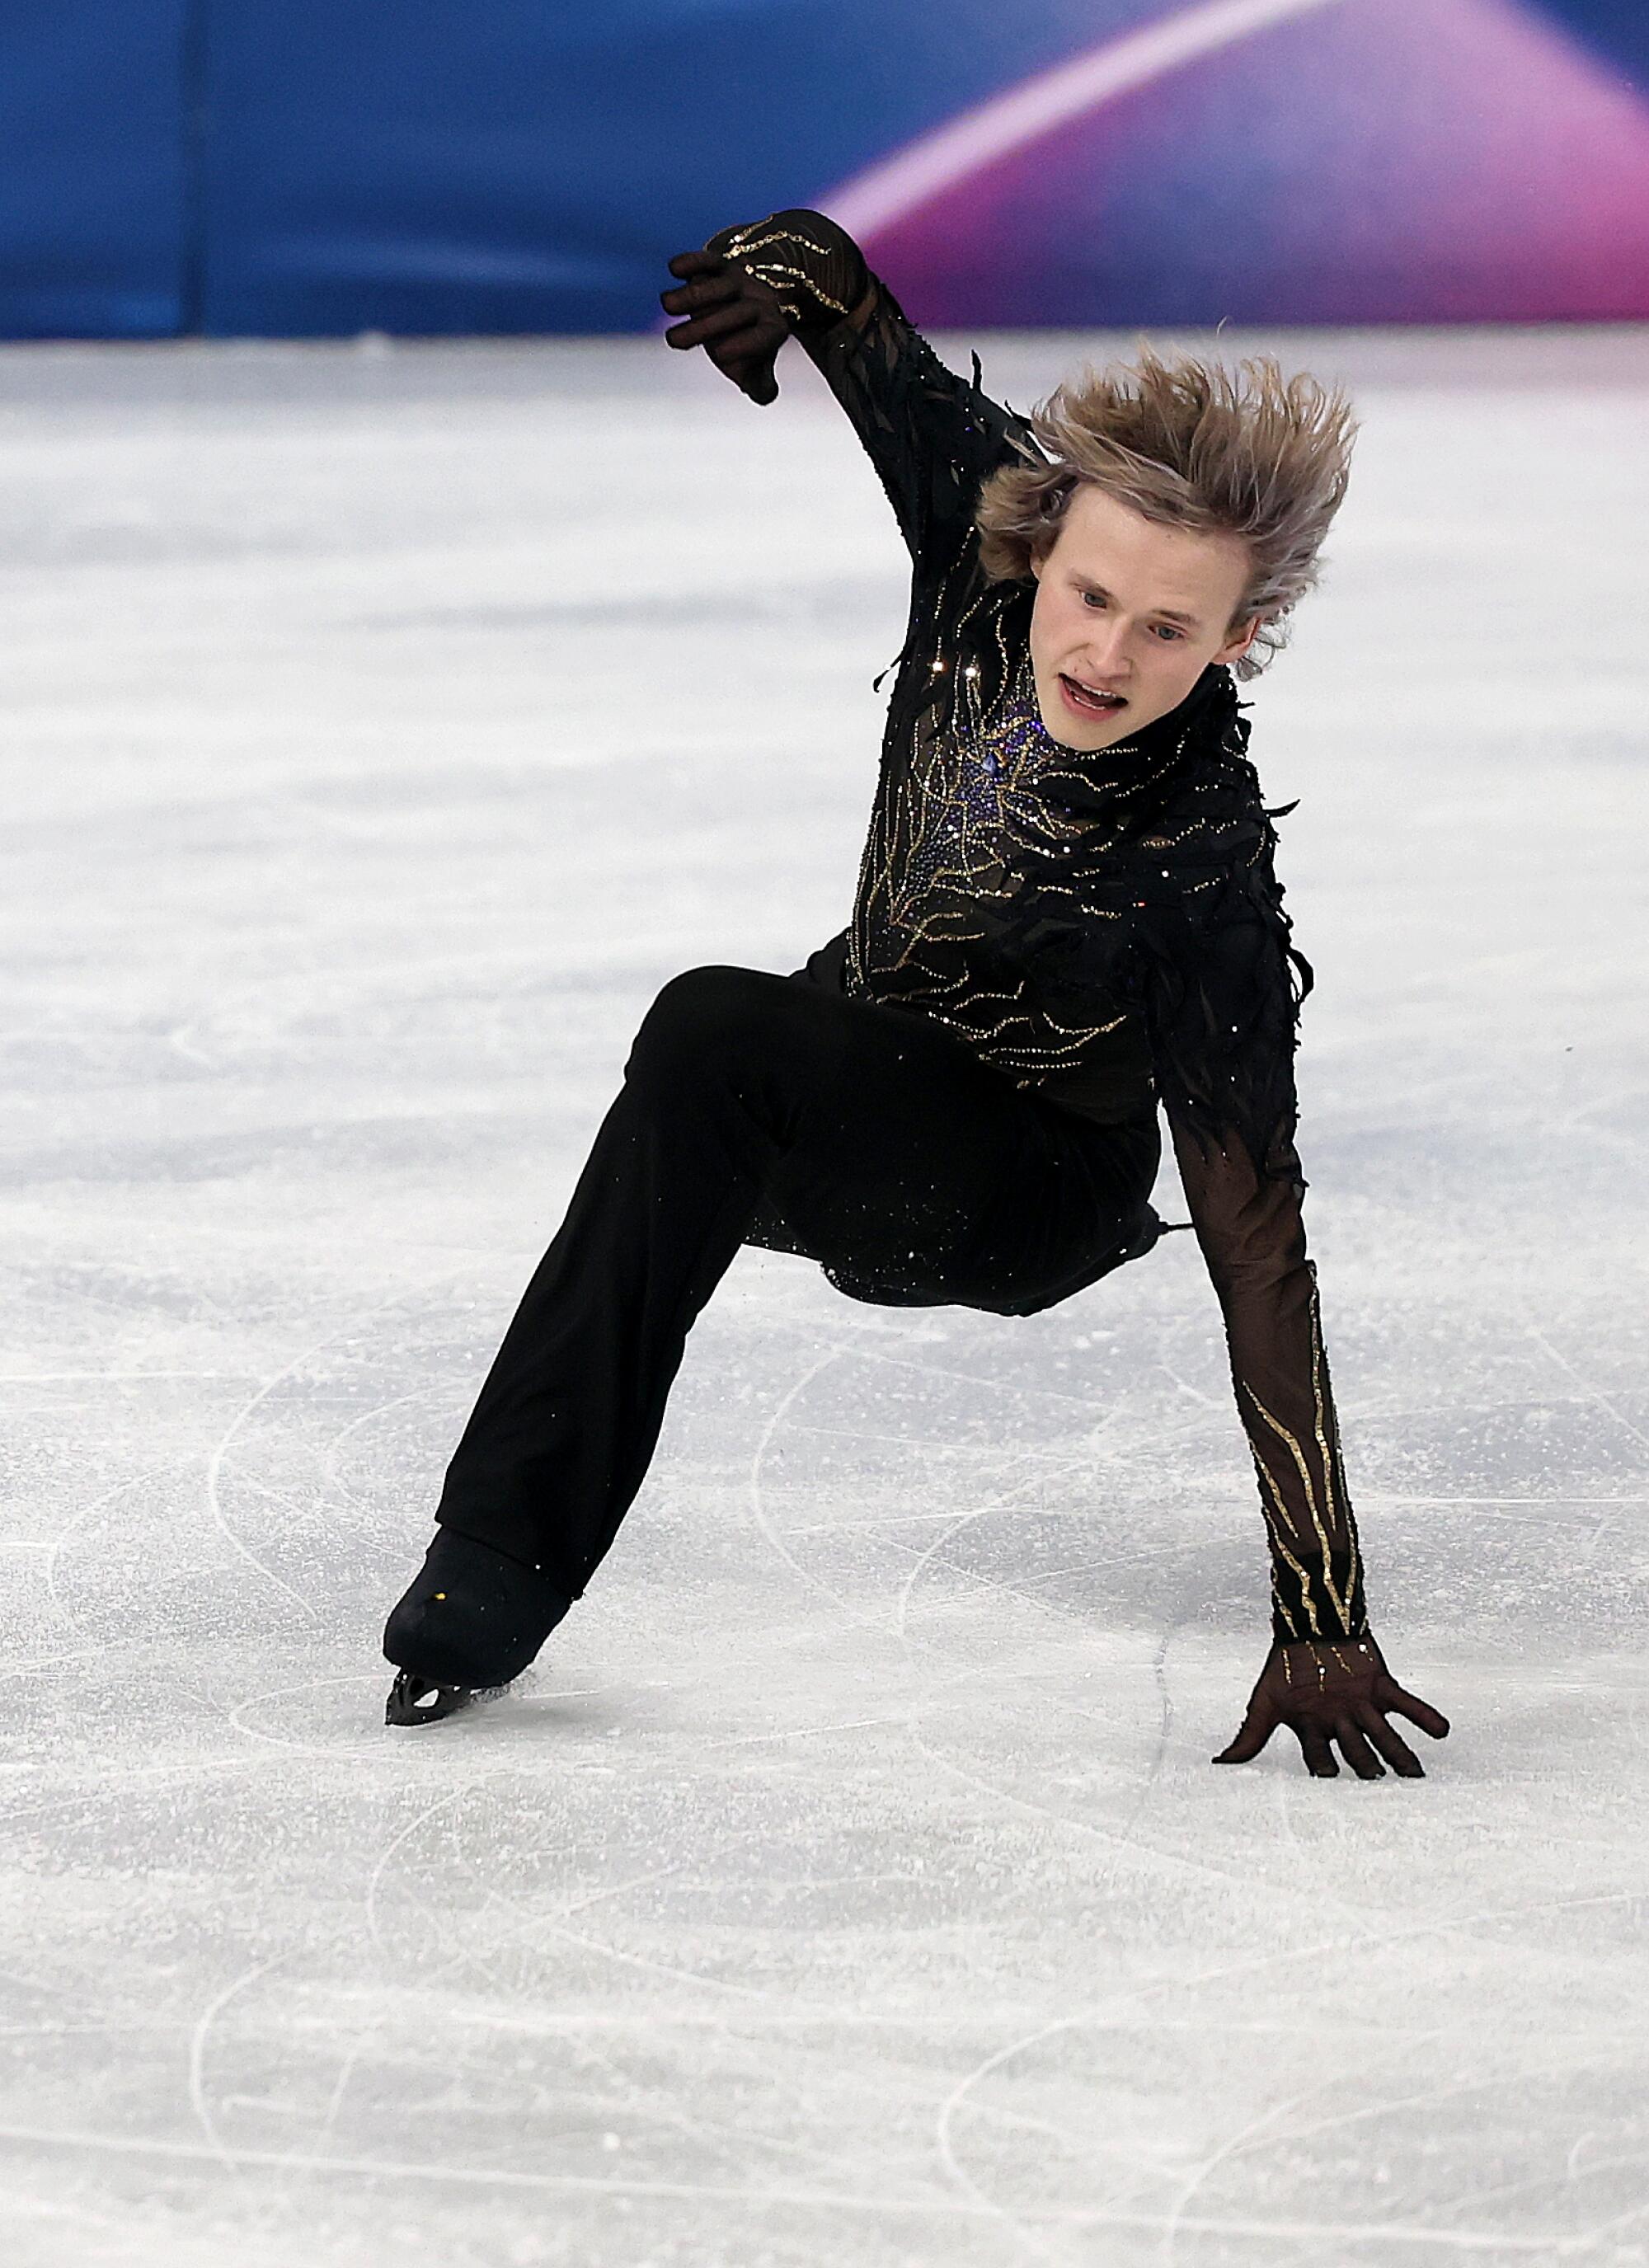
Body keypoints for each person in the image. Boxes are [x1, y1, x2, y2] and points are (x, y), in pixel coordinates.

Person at [381, 209, 1450, 1780]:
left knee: (709, 1026)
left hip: (1028, 1199)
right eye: (1090, 596)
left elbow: (1256, 1241)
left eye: (1170, 630)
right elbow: (851, 306)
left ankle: (499, 1564)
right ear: (1041, 542)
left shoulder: (1197, 869)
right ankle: (497, 1566)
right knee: (713, 1048)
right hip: (867, 1060)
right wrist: (781, 272)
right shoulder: (981, 521)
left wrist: (1322, 1606)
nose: (1105, 653)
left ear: (1242, 637)